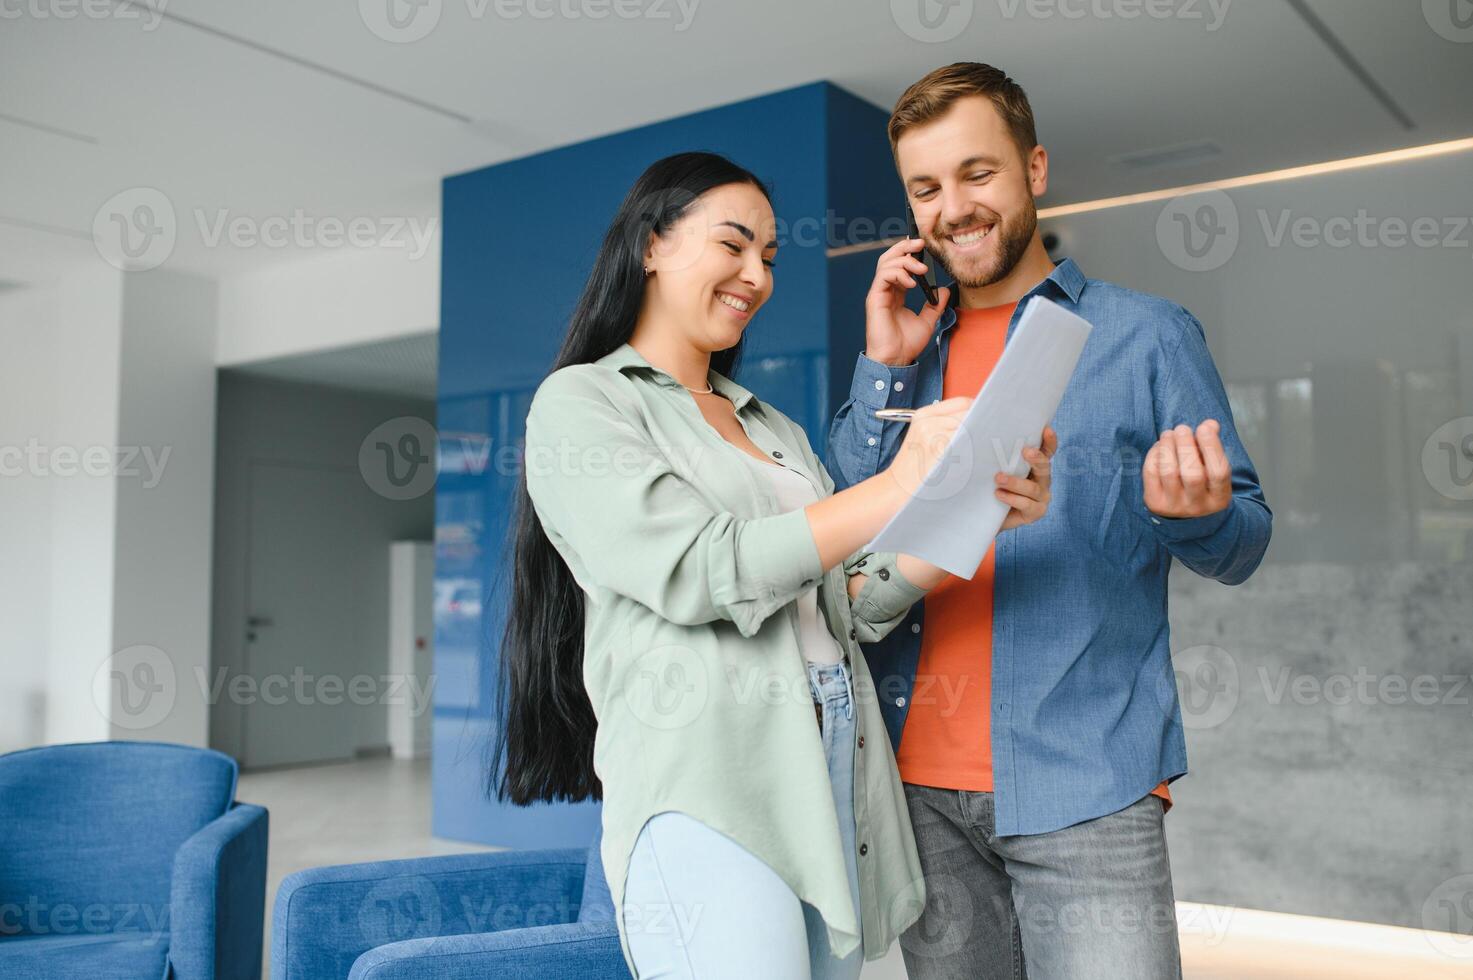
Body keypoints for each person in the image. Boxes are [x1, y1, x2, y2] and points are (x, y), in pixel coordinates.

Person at [491, 151, 1055, 978]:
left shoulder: (773, 427)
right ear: (651, 245)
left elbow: (849, 604)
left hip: (830, 763)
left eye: (769, 257)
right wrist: (900, 481)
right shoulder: (584, 402)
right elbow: (696, 568)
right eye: (733, 245)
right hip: (710, 778)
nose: (755, 275)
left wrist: (973, 513)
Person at [827, 63, 1273, 980]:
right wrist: (881, 367)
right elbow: (846, 528)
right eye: (925, 188)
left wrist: (1195, 517)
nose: (952, 207)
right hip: (917, 794)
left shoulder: (1146, 336)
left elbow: (1245, 541)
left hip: (1088, 785)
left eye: (976, 173)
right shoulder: (904, 354)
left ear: (1032, 169)